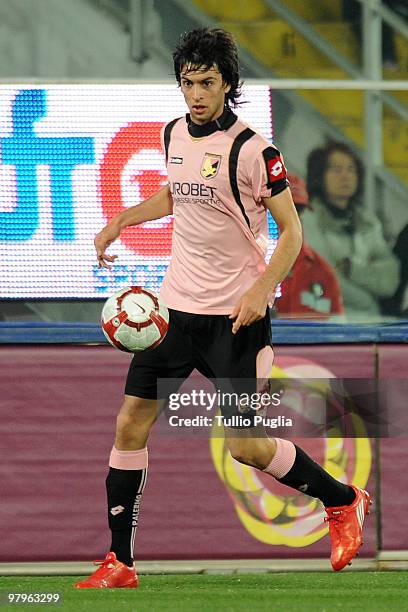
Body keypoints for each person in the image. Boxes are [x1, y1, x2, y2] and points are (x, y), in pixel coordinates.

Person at [75, 29, 371, 589]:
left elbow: (291, 233)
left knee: (246, 448)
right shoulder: (172, 134)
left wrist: (261, 291)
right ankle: (120, 563)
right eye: (187, 82)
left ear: (228, 84)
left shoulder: (256, 150)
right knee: (129, 424)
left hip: (237, 320)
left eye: (207, 82)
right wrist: (122, 219)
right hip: (174, 315)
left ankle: (343, 499)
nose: (195, 94)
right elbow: (175, 193)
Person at [302, 141, 400, 319]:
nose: (345, 176)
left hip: (369, 322)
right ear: (319, 176)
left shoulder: (368, 221)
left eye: (351, 169)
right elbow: (324, 278)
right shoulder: (307, 220)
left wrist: (352, 269)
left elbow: (390, 280)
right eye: (336, 169)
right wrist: (369, 300)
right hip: (325, 319)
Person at [276, 173, 344, 319]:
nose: (293, 217)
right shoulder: (248, 266)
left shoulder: (323, 272)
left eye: (298, 209)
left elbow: (338, 333)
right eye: (284, 208)